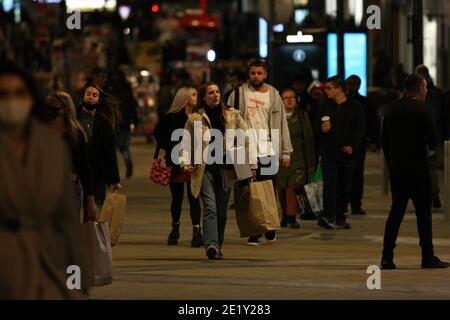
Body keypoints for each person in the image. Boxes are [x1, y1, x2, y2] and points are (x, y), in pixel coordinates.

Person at [0, 62, 87, 298]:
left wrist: (77, 273)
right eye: (4, 94)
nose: (12, 101)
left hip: (47, 259)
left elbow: (67, 217)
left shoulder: (50, 148)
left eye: (19, 93)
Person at [380, 74, 449, 269]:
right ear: (419, 89)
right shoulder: (424, 109)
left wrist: (391, 162)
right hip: (419, 169)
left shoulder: (391, 109)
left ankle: (387, 257)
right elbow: (434, 138)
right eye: (425, 87)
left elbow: (384, 141)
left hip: (398, 170)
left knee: (396, 213)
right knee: (423, 215)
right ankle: (427, 256)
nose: (426, 90)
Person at [181, 82, 256, 259]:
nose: (215, 95)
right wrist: (185, 163)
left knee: (222, 211)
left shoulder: (233, 115)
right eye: (211, 93)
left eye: (217, 92)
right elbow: (185, 143)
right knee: (210, 208)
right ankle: (211, 245)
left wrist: (252, 164)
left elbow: (247, 139)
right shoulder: (195, 119)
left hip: (226, 169)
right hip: (204, 168)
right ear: (204, 98)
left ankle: (217, 245)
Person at [228, 59, 293, 245]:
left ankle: (270, 225)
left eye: (259, 73)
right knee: (248, 191)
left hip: (267, 149)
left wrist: (286, 151)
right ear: (248, 75)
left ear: (265, 75)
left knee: (268, 190)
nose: (256, 76)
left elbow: (282, 125)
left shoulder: (273, 95)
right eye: (252, 73)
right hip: (244, 150)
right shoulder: (238, 95)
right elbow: (229, 122)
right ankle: (255, 231)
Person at [154, 87, 204, 247]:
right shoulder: (172, 117)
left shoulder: (199, 116)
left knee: (194, 196)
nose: (197, 97)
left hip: (195, 161)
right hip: (176, 162)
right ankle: (175, 229)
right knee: (177, 198)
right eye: (194, 94)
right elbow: (158, 134)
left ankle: (197, 232)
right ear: (185, 98)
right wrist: (173, 147)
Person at [315, 76, 364, 230]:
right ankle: (328, 215)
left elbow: (360, 129)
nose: (326, 91)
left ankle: (340, 216)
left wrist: (352, 146)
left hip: (347, 153)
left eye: (329, 88)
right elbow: (316, 127)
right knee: (329, 183)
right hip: (329, 151)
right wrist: (322, 130)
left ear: (339, 89)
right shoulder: (325, 106)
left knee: (344, 184)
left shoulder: (355, 106)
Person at [46, 91, 97, 221]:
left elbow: (85, 169)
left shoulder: (76, 135)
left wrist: (90, 201)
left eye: (51, 105)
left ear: (64, 110)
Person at [78, 82, 122, 221]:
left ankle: (88, 236)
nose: (90, 97)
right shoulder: (73, 116)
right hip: (77, 168)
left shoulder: (104, 122)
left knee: (92, 208)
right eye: (88, 94)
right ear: (83, 96)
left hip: (97, 170)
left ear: (99, 99)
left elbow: (109, 152)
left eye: (94, 95)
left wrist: (114, 179)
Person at [277, 89, 315, 228]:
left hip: (298, 159)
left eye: (291, 97)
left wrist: (310, 163)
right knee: (281, 189)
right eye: (285, 98)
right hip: (279, 160)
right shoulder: (275, 117)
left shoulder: (302, 117)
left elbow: (308, 140)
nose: (288, 100)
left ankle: (292, 217)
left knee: (293, 188)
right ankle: (285, 214)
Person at [345, 75, 378, 215]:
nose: (351, 86)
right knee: (344, 174)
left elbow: (371, 123)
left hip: (359, 142)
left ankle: (355, 204)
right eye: (350, 83)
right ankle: (344, 204)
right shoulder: (346, 101)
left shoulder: (364, 103)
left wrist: (373, 140)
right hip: (345, 142)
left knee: (357, 173)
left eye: (354, 83)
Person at [415, 65, 445, 208]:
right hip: (434, 133)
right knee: (431, 166)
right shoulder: (437, 92)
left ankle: (425, 194)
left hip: (420, 134)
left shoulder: (418, 93)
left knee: (421, 166)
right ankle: (433, 192)